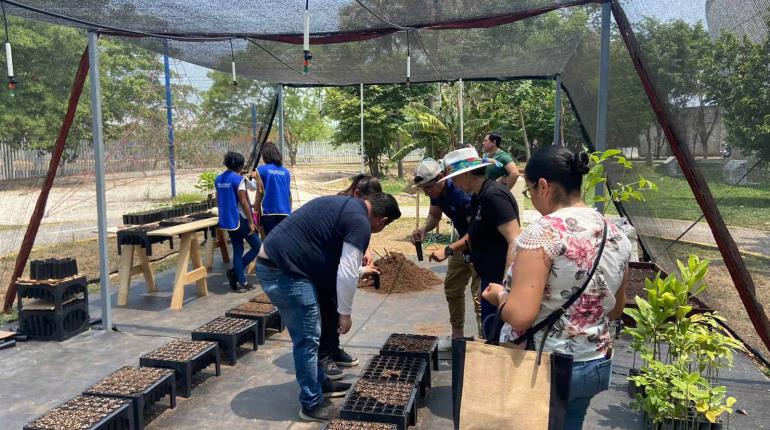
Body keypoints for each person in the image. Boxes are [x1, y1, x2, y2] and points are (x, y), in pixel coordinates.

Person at [481, 145, 632, 430]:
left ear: (543, 186)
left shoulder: (544, 232)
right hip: (594, 362)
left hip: (544, 366)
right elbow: (616, 311)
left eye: (529, 192)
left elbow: (521, 315)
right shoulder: (617, 234)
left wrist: (499, 296)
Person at [255, 192, 401, 422]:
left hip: (283, 265)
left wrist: (360, 271)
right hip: (282, 271)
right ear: (383, 221)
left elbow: (332, 259)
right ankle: (311, 404)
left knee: (312, 332)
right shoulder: (360, 222)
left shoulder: (349, 206)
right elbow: (345, 272)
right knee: (308, 337)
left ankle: (320, 382)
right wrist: (345, 314)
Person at [430, 147, 521, 335]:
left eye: (455, 177)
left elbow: (515, 239)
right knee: (490, 330)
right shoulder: (478, 198)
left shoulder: (493, 196)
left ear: (468, 174)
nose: (453, 182)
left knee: (497, 333)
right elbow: (475, 233)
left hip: (498, 278)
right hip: (488, 275)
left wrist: (505, 285)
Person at [315, 173, 383, 379]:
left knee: (335, 308)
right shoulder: (342, 203)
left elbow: (363, 229)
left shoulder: (360, 209)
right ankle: (323, 355)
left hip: (337, 262)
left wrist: (366, 250)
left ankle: (334, 348)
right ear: (357, 194)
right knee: (328, 310)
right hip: (324, 264)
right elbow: (345, 268)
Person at [410, 158, 482, 348]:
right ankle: (457, 337)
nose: (427, 192)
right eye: (423, 189)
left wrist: (449, 249)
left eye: (429, 187)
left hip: (481, 245)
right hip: (462, 243)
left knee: (480, 297)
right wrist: (424, 230)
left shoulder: (460, 193)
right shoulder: (436, 192)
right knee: (452, 286)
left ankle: (485, 344)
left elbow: (475, 232)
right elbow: (435, 215)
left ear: (442, 177)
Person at [215, 151, 260, 293]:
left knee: (238, 250)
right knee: (258, 247)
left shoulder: (218, 179)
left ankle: (241, 282)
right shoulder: (238, 180)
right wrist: (251, 222)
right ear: (240, 166)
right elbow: (244, 202)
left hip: (228, 220)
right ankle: (235, 272)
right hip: (240, 219)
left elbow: (219, 197)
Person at [257, 142, 292, 236]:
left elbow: (260, 191)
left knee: (269, 242)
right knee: (282, 240)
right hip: (285, 212)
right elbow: (289, 194)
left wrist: (256, 213)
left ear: (265, 155)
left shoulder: (261, 170)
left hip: (269, 212)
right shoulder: (286, 172)